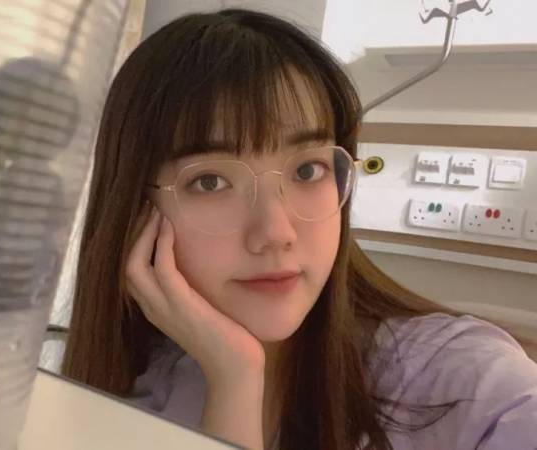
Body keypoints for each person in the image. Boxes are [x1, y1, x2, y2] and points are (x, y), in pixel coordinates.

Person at [60, 8, 537, 450]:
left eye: (308, 170)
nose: (276, 232)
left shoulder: (469, 385)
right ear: (137, 209)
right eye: (210, 181)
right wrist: (235, 381)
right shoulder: (137, 393)